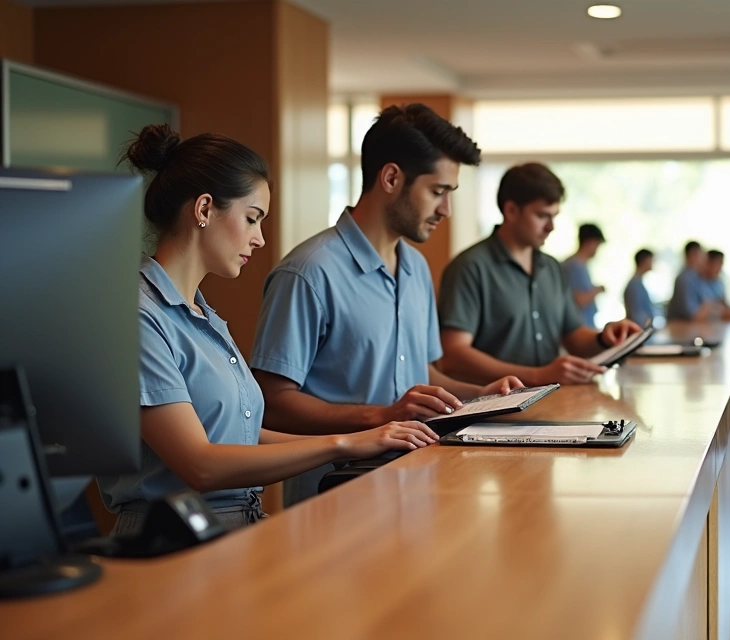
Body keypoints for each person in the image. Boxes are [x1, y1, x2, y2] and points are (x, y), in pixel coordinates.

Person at [99, 124, 433, 532]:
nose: (259, 239)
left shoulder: (204, 317)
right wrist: (345, 440)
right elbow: (200, 464)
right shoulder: (138, 315)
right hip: (170, 539)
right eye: (252, 218)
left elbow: (243, 433)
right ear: (204, 209)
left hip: (235, 528)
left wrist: (372, 437)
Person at [250, 104, 522, 506]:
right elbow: (271, 403)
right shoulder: (309, 272)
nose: (445, 209)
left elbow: (422, 374)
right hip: (334, 503)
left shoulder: (415, 267)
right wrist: (380, 415)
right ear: (392, 178)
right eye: (438, 191)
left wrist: (480, 396)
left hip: (418, 493)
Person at [438, 162, 642, 386]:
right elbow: (453, 356)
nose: (551, 226)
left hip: (553, 402)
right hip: (491, 411)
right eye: (542, 216)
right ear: (511, 210)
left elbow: (573, 336)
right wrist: (538, 375)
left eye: (554, 216)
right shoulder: (470, 267)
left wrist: (604, 337)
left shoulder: (552, 268)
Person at [562, 223, 606, 328]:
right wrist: (598, 290)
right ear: (590, 242)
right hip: (579, 327)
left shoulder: (581, 265)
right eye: (597, 245)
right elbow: (578, 300)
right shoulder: (573, 266)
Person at [668, 241, 718, 321]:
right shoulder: (685, 279)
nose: (705, 259)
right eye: (702, 255)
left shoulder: (697, 277)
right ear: (693, 255)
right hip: (681, 328)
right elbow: (692, 315)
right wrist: (710, 307)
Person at [700, 249, 730, 321]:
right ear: (708, 263)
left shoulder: (719, 283)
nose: (720, 268)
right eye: (718, 263)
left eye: (721, 264)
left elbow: (723, 303)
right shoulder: (697, 282)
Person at [624, 249, 657, 326]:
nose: (653, 263)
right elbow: (636, 314)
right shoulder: (634, 286)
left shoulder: (638, 283)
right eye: (651, 260)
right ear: (644, 261)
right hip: (640, 329)